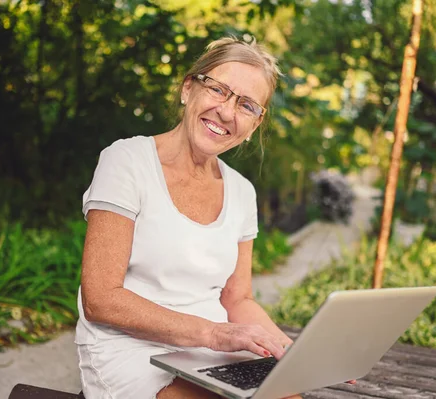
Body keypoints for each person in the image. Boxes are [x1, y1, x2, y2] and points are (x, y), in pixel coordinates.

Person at [75, 36, 300, 399]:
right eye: (219, 90)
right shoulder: (127, 161)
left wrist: (288, 351)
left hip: (208, 354)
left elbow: (238, 299)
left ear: (254, 126)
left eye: (246, 105)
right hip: (131, 354)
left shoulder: (242, 192)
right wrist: (215, 333)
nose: (227, 112)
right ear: (187, 89)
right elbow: (100, 299)